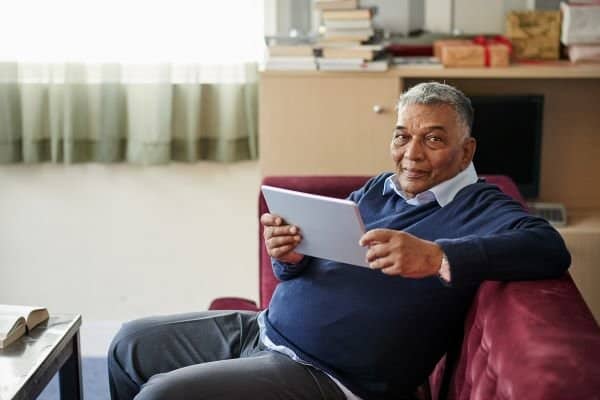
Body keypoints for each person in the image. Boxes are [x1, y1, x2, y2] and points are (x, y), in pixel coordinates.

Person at [108, 82, 570, 400]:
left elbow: (548, 247)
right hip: (265, 329)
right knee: (129, 343)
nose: (411, 154)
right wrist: (287, 255)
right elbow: (308, 261)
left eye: (432, 139)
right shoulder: (378, 188)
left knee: (162, 395)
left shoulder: (483, 206)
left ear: (466, 150)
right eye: (402, 136)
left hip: (328, 376)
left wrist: (436, 257)